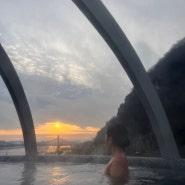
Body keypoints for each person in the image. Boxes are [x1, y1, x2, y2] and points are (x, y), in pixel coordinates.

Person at [104, 118, 130, 184]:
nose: (105, 141)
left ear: (110, 140)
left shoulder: (117, 163)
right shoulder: (119, 158)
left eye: (106, 137)